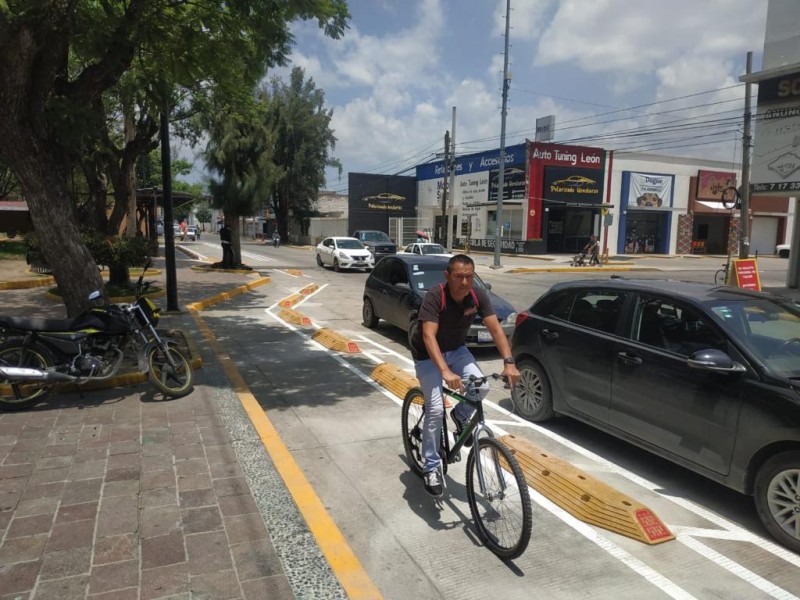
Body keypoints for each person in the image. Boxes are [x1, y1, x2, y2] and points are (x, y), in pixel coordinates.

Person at [409, 254, 520, 497]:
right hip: (427, 354)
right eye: (459, 277)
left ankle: (460, 417)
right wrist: (445, 371)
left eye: (469, 277)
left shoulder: (477, 295)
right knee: (436, 408)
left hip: (457, 350)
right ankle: (431, 466)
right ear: (447, 276)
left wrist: (509, 362)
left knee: (481, 387)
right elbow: (428, 336)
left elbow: (494, 328)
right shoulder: (435, 296)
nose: (464, 282)